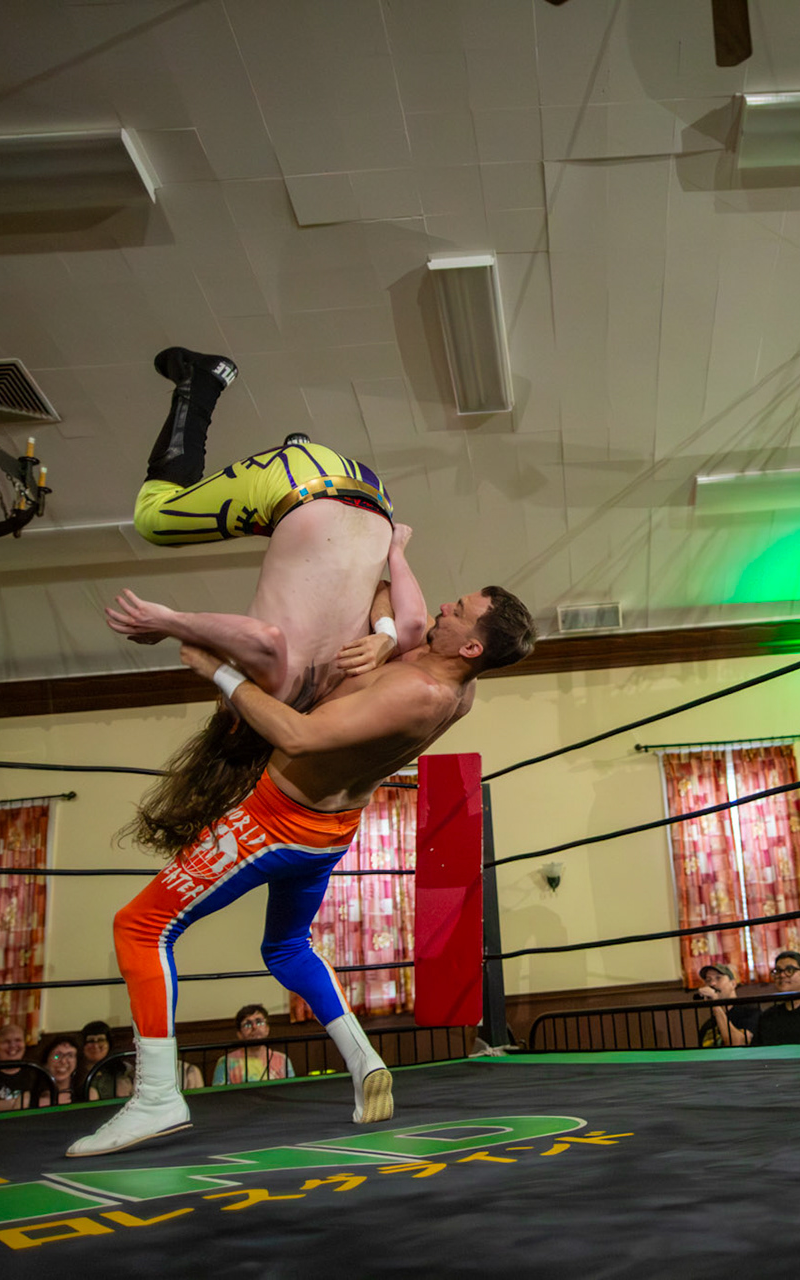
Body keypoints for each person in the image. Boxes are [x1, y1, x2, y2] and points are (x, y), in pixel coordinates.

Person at [69, 581, 536, 1158]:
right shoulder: (454, 683)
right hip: (329, 829)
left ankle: (158, 1098)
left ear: (471, 647)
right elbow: (383, 585)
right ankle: (364, 1060)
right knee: (287, 948)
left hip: (276, 824)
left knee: (140, 926)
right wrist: (384, 632)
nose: (446, 606)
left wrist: (218, 670)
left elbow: (298, 735)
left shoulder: (421, 690)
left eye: (459, 611)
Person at [107, 349, 429, 849]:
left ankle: (296, 451)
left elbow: (384, 594)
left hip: (376, 498)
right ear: (235, 720)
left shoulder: (340, 690)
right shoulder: (275, 693)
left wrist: (385, 636)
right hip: (300, 482)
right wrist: (172, 624)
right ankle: (200, 380)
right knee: (154, 518)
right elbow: (264, 637)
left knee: (292, 547)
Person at [0, 1023, 48, 1112]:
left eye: (18, 1040)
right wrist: (21, 1102)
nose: (12, 1045)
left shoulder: (35, 1071)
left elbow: (45, 1102)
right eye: (6, 1042)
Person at [212, 1004, 294, 1083]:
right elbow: (220, 1092)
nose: (254, 1027)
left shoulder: (282, 1060)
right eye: (247, 1024)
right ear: (239, 1034)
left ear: (267, 1029)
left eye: (259, 1022)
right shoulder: (225, 1063)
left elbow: (292, 1089)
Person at [697, 963, 759, 1048]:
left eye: (718, 978)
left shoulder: (750, 1012)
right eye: (708, 980)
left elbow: (738, 1043)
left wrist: (715, 1005)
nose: (712, 984)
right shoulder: (707, 1026)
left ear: (733, 984)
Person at [79, 1021, 131, 1100]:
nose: (95, 1045)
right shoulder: (75, 1073)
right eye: (91, 1041)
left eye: (101, 1040)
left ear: (109, 1044)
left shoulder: (123, 1069)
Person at [42, 1036, 84, 1106]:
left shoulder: (88, 1094)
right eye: (57, 1056)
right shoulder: (28, 1098)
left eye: (70, 1056)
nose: (63, 1061)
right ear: (46, 1062)